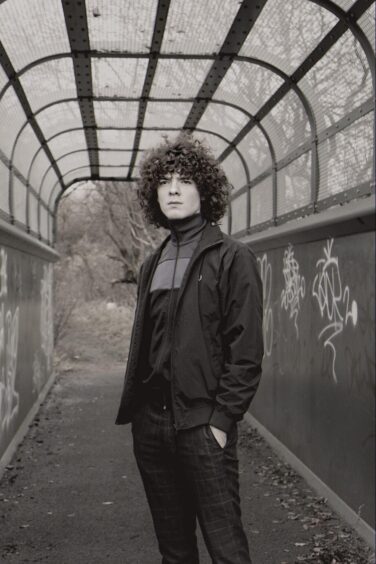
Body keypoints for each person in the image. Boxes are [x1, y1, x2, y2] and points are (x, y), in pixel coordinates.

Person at [115, 134, 264, 564]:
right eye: (165, 181)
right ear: (153, 193)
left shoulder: (233, 258)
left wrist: (221, 420)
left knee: (227, 550)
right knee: (175, 552)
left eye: (185, 180)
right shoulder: (152, 263)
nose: (174, 188)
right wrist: (140, 416)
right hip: (152, 426)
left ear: (205, 189)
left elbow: (247, 350)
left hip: (203, 425)